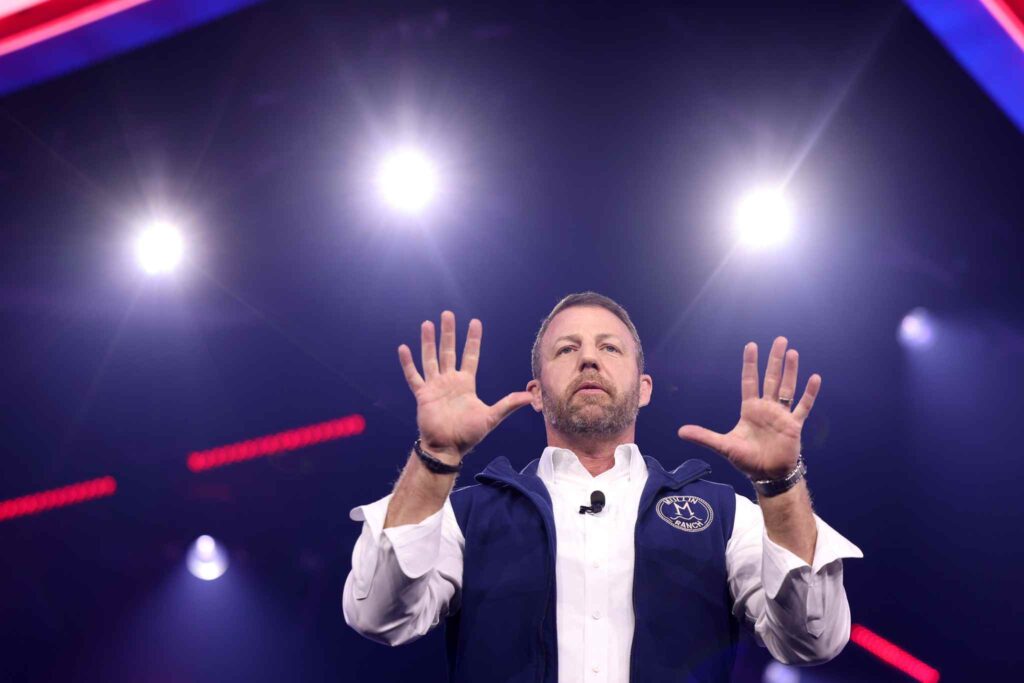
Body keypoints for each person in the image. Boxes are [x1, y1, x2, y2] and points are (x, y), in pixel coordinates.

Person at [343, 292, 862, 683]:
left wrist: (779, 485)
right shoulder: (465, 514)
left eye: (609, 348)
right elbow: (379, 617)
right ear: (536, 394)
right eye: (566, 349)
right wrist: (436, 457)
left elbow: (812, 640)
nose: (588, 359)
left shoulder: (725, 516)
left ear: (643, 389)